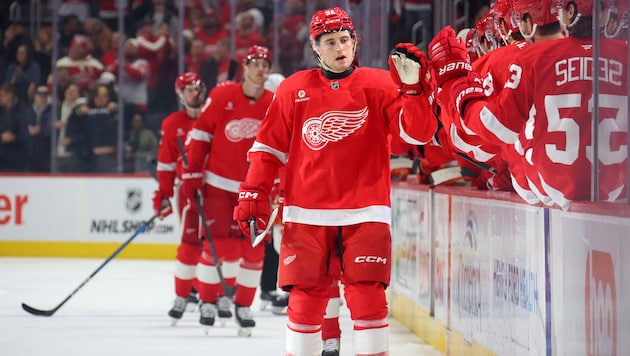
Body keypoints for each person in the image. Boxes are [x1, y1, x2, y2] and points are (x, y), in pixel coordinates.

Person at [232, 7, 436, 355]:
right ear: (316, 48)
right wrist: (254, 192)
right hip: (307, 214)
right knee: (305, 301)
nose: (340, 47)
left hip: (366, 211)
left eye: (345, 39)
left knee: (368, 297)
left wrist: (415, 91)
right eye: (330, 42)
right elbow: (267, 150)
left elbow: (420, 133)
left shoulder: (382, 84)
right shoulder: (293, 89)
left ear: (355, 42)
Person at [430, 0, 628, 211]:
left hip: (546, 191)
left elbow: (494, 128)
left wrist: (460, 92)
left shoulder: (533, 58)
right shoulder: (625, 54)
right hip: (617, 193)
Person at [180, 45, 274, 336]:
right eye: (255, 63)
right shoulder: (222, 95)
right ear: (244, 67)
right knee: (221, 246)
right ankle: (208, 300)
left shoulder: (275, 101)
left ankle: (243, 304)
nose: (261, 68)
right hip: (219, 185)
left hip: (257, 190)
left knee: (254, 252)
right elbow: (200, 134)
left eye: (265, 64)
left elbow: (283, 146)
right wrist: (193, 174)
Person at [152, 72, 208, 324]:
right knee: (189, 243)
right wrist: (163, 194)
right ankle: (186, 293)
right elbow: (165, 165)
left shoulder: (213, 117)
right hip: (187, 192)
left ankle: (210, 294)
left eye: (197, 89)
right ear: (180, 95)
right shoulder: (172, 123)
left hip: (216, 190)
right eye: (188, 90)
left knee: (216, 245)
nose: (194, 94)